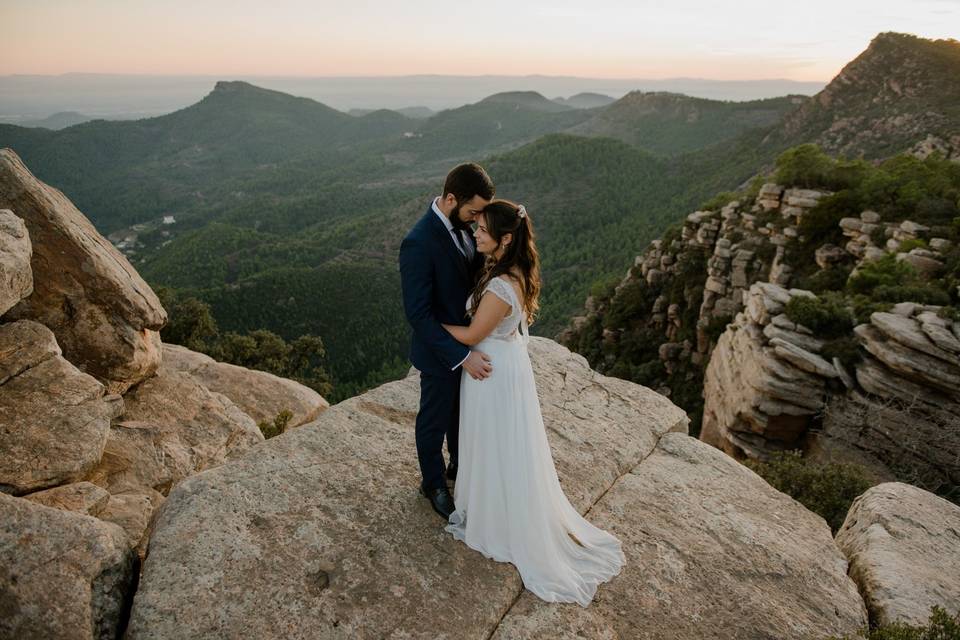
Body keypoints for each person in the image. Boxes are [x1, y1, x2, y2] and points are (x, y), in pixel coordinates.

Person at [441, 200, 625, 607]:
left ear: (505, 239)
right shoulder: (512, 271)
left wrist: (432, 324)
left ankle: (500, 518)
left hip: (490, 369)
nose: (476, 234)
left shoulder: (502, 284)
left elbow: (471, 336)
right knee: (505, 444)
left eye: (483, 230)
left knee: (496, 442)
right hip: (504, 364)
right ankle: (499, 504)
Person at [398, 162, 495, 520]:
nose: (475, 221)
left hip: (471, 344)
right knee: (433, 420)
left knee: (461, 415)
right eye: (472, 212)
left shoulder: (466, 229)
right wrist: (460, 355)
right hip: (441, 353)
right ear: (451, 199)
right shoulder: (418, 242)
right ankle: (433, 483)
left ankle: (458, 466)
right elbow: (418, 314)